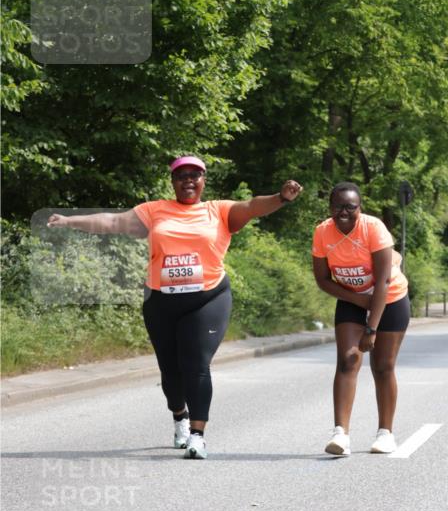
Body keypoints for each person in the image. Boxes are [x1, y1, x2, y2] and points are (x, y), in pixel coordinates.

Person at [47, 156, 302, 459]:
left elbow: (252, 206)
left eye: (195, 175)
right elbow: (113, 222)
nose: (189, 181)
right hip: (161, 301)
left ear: (204, 180)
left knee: (196, 363)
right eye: (182, 176)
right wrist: (69, 221)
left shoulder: (218, 211)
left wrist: (281, 198)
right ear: (173, 181)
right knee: (171, 372)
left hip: (208, 297)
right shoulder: (154, 211)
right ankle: (179, 417)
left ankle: (198, 435)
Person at [311, 182, 410, 456]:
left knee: (382, 366)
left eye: (350, 207)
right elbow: (322, 279)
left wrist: (371, 328)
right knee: (347, 360)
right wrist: (357, 300)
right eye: (338, 206)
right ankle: (340, 434)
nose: (344, 212)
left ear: (360, 208)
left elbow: (383, 281)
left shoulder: (373, 228)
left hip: (389, 298)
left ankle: (385, 434)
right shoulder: (322, 232)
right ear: (330, 208)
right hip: (352, 297)